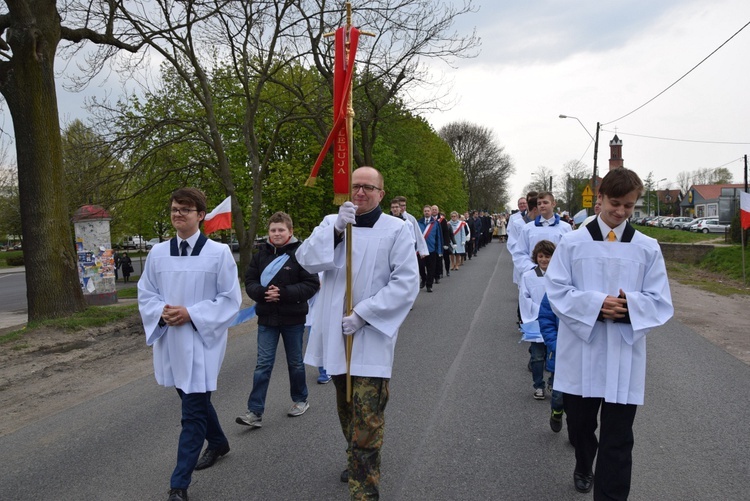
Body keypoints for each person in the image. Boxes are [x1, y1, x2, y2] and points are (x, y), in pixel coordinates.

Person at [545, 168, 673, 498]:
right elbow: (556, 290)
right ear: (599, 199)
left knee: (619, 439)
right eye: (615, 203)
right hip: (581, 351)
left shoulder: (647, 248)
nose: (620, 212)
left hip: (623, 354)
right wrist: (596, 305)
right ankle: (584, 462)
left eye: (629, 206)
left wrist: (630, 306)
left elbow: (660, 301)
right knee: (581, 427)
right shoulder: (573, 243)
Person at [296, 166, 419, 500]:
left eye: (368, 187)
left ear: (381, 192)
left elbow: (407, 283)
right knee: (348, 410)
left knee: (368, 419)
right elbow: (305, 260)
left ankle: (364, 489)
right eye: (355, 187)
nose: (360, 192)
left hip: (371, 336)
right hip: (337, 338)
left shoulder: (396, 230)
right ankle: (357, 457)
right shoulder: (331, 223)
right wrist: (336, 230)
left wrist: (364, 314)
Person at [138, 188, 242, 501]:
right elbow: (146, 293)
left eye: (185, 209)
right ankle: (220, 442)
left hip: (202, 340)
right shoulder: (157, 253)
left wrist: (191, 314)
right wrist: (161, 312)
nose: (178, 214)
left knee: (192, 412)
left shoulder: (218, 254)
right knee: (191, 395)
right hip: (171, 340)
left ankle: (178, 486)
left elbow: (230, 299)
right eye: (174, 209)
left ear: (200, 215)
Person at [236, 212, 320, 428]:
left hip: (293, 317)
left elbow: (311, 284)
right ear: (268, 233)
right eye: (273, 230)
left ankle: (300, 400)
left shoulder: (301, 254)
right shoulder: (260, 254)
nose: (276, 234)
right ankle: (254, 412)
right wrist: (264, 293)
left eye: (281, 230)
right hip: (267, 318)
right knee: (263, 365)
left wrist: (282, 293)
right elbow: (250, 281)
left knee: (295, 363)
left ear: (290, 232)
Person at [518, 240, 556, 400]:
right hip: (535, 320)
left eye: (548, 256)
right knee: (537, 356)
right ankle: (538, 386)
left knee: (555, 354)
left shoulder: (559, 276)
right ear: (536, 257)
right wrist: (540, 311)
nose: (544, 260)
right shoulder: (528, 276)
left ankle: (553, 383)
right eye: (540, 256)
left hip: (555, 321)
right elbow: (524, 298)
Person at [511, 192, 571, 280]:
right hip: (533, 276)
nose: (542, 206)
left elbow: (569, 253)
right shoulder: (528, 228)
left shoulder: (565, 228)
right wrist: (533, 269)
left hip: (557, 276)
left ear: (553, 204)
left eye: (545, 202)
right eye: (539, 203)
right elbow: (520, 253)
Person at [538, 292, 564, 433]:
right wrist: (556, 345)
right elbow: (546, 320)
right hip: (561, 356)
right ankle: (556, 413)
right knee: (558, 395)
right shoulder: (554, 291)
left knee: (579, 404)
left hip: (584, 359)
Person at [418, 205, 442, 292]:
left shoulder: (435, 223)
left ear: (431, 212)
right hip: (421, 250)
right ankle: (423, 279)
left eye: (428, 211)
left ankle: (429, 285)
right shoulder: (419, 222)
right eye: (425, 211)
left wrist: (439, 250)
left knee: (431, 268)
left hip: (432, 249)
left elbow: (438, 237)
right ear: (423, 212)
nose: (427, 212)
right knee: (421, 267)